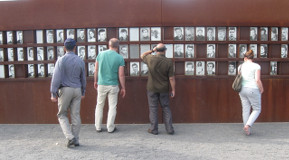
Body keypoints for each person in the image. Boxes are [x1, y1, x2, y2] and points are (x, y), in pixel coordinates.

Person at [50, 38, 86, 148]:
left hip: (65, 89)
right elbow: (83, 78)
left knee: (62, 114)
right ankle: (76, 139)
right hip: (77, 89)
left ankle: (70, 137)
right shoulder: (80, 60)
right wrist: (83, 91)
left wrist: (53, 92)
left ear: (64, 48)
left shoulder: (61, 60)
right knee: (75, 115)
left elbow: (56, 78)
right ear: (75, 47)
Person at [141, 43, 175, 135]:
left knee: (153, 108)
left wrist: (152, 50)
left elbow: (142, 55)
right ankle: (169, 129)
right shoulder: (169, 61)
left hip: (152, 88)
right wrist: (173, 90)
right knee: (166, 107)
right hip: (164, 89)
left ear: (157, 50)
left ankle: (154, 129)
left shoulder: (150, 58)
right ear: (165, 50)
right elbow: (171, 78)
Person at [94, 38, 126, 133]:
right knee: (112, 106)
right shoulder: (119, 58)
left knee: (99, 105)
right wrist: (123, 87)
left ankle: (98, 126)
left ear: (109, 45)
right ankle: (110, 127)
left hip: (102, 83)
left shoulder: (100, 54)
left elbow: (96, 70)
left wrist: (95, 81)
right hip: (113, 85)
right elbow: (121, 75)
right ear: (117, 46)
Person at [238, 49, 264, 136]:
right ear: (252, 58)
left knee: (245, 109)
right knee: (257, 109)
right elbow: (257, 80)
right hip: (253, 89)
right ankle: (248, 125)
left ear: (245, 58)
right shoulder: (256, 66)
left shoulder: (241, 66)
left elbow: (239, 78)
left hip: (242, 89)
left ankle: (247, 130)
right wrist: (261, 88)